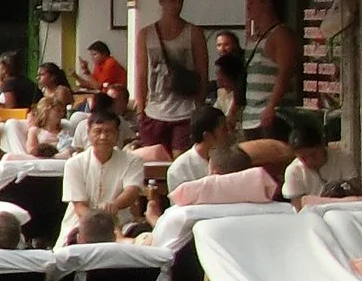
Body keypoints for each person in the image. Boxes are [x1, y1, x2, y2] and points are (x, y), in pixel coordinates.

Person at [135, 0, 209, 153]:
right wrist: (140, 110)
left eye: (180, 1)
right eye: (172, 1)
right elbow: (141, 73)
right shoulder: (146, 34)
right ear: (161, 1)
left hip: (185, 108)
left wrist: (199, 102)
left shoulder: (194, 33)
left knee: (180, 157)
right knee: (156, 160)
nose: (176, 6)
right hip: (154, 108)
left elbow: (203, 72)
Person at [59, 97, 146, 242]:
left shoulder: (133, 160)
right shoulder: (74, 164)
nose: (103, 137)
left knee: (145, 237)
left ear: (117, 134)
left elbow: (132, 191)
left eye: (109, 132)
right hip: (83, 224)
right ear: (88, 134)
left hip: (121, 223)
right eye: (98, 131)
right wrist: (102, 223)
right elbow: (79, 206)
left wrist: (114, 206)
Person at [242, 0, 300, 138]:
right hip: (250, 116)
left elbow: (285, 73)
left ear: (267, 4)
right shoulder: (253, 39)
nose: (248, 8)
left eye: (252, 3)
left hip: (270, 115)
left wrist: (271, 106)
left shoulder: (280, 35)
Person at [166, 106, 232, 195]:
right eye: (224, 130)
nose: (229, 133)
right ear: (207, 135)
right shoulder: (179, 169)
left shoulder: (231, 160)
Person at [80, 40, 129, 111]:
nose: (92, 58)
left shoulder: (110, 63)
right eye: (91, 55)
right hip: (105, 95)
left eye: (94, 54)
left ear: (104, 54)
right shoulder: (98, 65)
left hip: (116, 97)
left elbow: (98, 86)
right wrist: (75, 75)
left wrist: (86, 71)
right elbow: (92, 84)